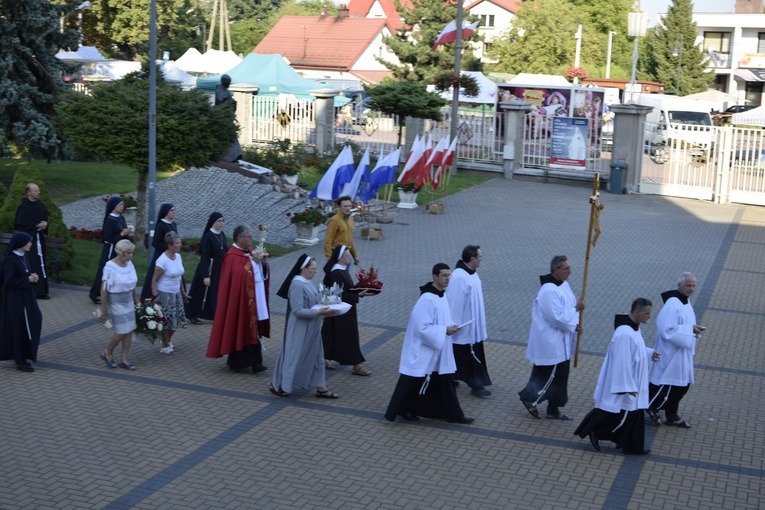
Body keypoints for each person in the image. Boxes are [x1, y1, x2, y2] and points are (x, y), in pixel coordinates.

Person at [384, 263, 474, 424]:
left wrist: (451, 326)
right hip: (425, 348)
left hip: (439, 348)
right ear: (434, 276)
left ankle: (453, 414)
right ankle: (402, 409)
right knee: (413, 380)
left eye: (449, 275)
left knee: (444, 380)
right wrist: (444, 331)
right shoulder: (426, 299)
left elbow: (443, 318)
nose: (447, 278)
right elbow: (422, 327)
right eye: (444, 275)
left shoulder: (442, 295)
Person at [574, 298, 660, 455]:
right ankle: (598, 432)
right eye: (647, 313)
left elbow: (634, 351)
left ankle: (632, 446)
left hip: (632, 380)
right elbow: (622, 361)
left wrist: (648, 353)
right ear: (637, 312)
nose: (649, 316)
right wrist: (627, 386)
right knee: (617, 412)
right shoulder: (625, 334)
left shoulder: (633, 329)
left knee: (627, 413)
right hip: (626, 381)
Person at [518, 255, 585, 420]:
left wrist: (575, 324)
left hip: (562, 339)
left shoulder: (564, 285)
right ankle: (529, 397)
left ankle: (553, 409)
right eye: (566, 268)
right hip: (551, 340)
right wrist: (576, 309)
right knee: (549, 375)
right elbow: (557, 318)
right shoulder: (548, 290)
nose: (570, 271)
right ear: (556, 270)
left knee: (560, 376)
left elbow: (567, 309)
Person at [270, 254, 339, 398]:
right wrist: (318, 312)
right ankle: (284, 386)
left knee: (318, 357)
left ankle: (321, 388)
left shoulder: (308, 282)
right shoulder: (296, 285)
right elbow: (298, 310)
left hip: (312, 327)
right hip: (299, 328)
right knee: (293, 358)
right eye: (313, 269)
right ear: (303, 269)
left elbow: (316, 301)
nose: (315, 271)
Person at [206, 225, 270, 373]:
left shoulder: (249, 251)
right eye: (249, 236)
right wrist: (253, 261)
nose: (251, 239)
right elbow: (239, 274)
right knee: (243, 326)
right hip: (241, 300)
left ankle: (242, 361)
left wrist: (263, 262)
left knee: (253, 328)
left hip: (255, 297)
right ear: (240, 238)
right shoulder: (231, 256)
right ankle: (253, 362)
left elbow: (257, 270)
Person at [646, 272, 702, 429]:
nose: (691, 289)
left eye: (693, 285)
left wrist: (691, 330)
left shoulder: (685, 302)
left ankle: (671, 415)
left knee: (681, 384)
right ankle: (650, 406)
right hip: (671, 353)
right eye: (688, 285)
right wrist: (690, 329)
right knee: (670, 385)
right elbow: (666, 329)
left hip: (681, 352)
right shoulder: (672, 304)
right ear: (679, 286)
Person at [445, 245, 492, 398]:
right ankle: (476, 384)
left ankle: (450, 377)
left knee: (460, 354)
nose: (482, 259)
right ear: (472, 259)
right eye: (480, 256)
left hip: (472, 324)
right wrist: (454, 323)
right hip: (464, 325)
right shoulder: (459, 276)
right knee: (466, 354)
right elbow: (454, 301)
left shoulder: (471, 273)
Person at [321, 245, 371, 375]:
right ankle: (356, 365)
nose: (349, 258)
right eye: (347, 256)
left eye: (349, 255)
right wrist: (358, 295)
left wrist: (361, 288)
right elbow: (337, 295)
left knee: (331, 336)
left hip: (345, 310)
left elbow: (347, 290)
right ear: (339, 257)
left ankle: (323, 358)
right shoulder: (337, 273)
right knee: (349, 337)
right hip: (341, 312)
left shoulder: (342, 270)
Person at [0, 232, 42, 372]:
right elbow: (9, 281)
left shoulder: (23, 256)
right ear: (21, 243)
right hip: (16, 299)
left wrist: (32, 277)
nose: (31, 244)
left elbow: (24, 273)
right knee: (19, 327)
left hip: (26, 296)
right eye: (29, 242)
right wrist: (27, 280)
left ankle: (24, 354)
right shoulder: (11, 259)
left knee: (32, 321)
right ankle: (20, 359)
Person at [98, 240, 139, 370]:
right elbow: (103, 289)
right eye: (128, 253)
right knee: (122, 330)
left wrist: (135, 301)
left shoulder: (129, 264)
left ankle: (124, 359)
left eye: (131, 252)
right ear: (120, 253)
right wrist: (104, 311)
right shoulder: (110, 266)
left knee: (130, 328)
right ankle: (107, 352)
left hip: (128, 299)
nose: (131, 256)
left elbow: (132, 284)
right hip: (116, 300)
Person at [186, 212, 227, 324]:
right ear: (213, 222)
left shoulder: (222, 235)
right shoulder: (208, 237)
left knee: (214, 293)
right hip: (208, 269)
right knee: (199, 292)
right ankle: (192, 313)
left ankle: (216, 314)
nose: (221, 223)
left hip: (219, 269)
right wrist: (205, 276)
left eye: (222, 221)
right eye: (219, 221)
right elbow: (204, 257)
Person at [89, 196, 131, 304]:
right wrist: (122, 233)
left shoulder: (121, 218)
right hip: (110, 249)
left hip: (121, 248)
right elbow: (107, 238)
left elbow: (123, 231)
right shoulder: (109, 220)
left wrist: (127, 233)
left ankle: (114, 292)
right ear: (113, 206)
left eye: (122, 204)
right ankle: (96, 293)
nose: (122, 207)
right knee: (106, 270)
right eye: (120, 205)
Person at [151, 232, 187, 354]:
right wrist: (155, 297)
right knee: (167, 321)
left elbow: (179, 276)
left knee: (176, 319)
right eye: (177, 243)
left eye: (180, 242)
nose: (180, 245)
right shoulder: (162, 261)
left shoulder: (178, 257)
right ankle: (165, 344)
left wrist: (182, 291)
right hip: (165, 294)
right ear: (170, 246)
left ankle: (167, 340)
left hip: (176, 293)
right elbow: (154, 280)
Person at [14, 183, 50, 299]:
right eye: (35, 190)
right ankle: (33, 290)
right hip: (30, 240)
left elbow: (44, 216)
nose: (38, 192)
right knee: (32, 263)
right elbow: (20, 224)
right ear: (29, 192)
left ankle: (42, 290)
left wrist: (45, 224)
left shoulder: (39, 204)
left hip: (39, 238)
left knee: (41, 263)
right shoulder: (23, 207)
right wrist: (35, 225)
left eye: (38, 190)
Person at [141, 203, 178, 299]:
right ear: (166, 212)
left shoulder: (173, 224)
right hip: (162, 255)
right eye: (172, 210)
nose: (174, 212)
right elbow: (155, 243)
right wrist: (169, 246)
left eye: (174, 210)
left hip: (172, 255)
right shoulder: (161, 225)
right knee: (156, 276)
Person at [324, 196, 359, 265]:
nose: (348, 208)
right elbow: (328, 241)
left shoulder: (350, 219)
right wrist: (329, 260)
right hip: (337, 256)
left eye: (349, 206)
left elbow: (350, 239)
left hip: (347, 254)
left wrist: (355, 255)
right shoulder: (334, 220)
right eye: (345, 206)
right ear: (339, 207)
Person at [215, 74, 242, 162]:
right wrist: (228, 102)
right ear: (224, 82)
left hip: (228, 117)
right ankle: (228, 156)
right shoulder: (219, 90)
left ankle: (236, 155)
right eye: (228, 83)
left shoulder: (226, 90)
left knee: (232, 137)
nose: (229, 84)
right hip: (222, 118)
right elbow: (220, 102)